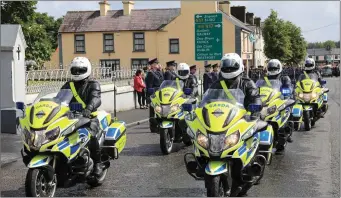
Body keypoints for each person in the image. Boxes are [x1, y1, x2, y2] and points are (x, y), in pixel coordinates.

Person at [60, 57, 103, 176]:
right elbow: (59, 99)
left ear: (87, 70)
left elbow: (96, 98)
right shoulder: (68, 85)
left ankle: (98, 164)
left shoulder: (93, 84)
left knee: (91, 135)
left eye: (81, 70)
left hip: (89, 118)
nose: (78, 73)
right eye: (75, 70)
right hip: (70, 119)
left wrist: (89, 108)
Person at [262, 59, 293, 143]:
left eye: (274, 68)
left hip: (281, 99)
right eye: (271, 68)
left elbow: (288, 87)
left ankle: (288, 129)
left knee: (288, 109)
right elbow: (259, 88)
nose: (273, 70)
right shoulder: (265, 79)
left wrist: (287, 92)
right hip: (269, 100)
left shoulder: (284, 78)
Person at [145, 58, 163, 131]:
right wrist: (150, 96)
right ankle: (153, 127)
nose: (157, 65)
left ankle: (159, 125)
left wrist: (160, 70)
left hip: (160, 93)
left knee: (159, 110)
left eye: (157, 63)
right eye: (155, 64)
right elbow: (149, 85)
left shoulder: (157, 72)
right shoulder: (150, 73)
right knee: (153, 111)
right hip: (154, 94)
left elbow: (162, 79)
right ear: (151, 65)